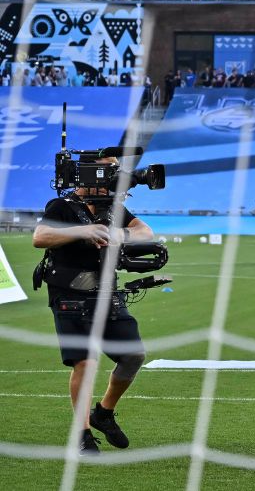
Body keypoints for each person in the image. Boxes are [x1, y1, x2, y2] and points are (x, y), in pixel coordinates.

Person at [32, 156, 154, 455]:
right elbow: (40, 238)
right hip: (69, 294)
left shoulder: (112, 208)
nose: (114, 180)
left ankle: (104, 413)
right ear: (89, 177)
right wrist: (81, 231)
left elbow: (145, 231)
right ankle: (82, 433)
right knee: (86, 362)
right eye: (109, 174)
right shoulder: (61, 206)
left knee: (133, 355)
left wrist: (119, 234)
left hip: (106, 292)